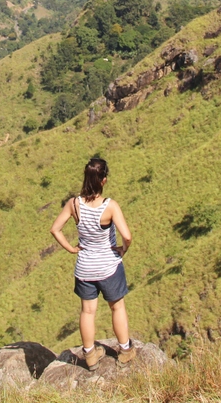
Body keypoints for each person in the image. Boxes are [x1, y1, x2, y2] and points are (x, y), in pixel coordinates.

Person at [49, 157, 136, 370]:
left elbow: (55, 229)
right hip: (108, 267)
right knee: (117, 307)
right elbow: (127, 236)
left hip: (85, 268)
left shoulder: (74, 204)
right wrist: (123, 249)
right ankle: (124, 350)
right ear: (103, 180)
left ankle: (89, 355)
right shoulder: (110, 207)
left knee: (87, 311)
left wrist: (71, 249)